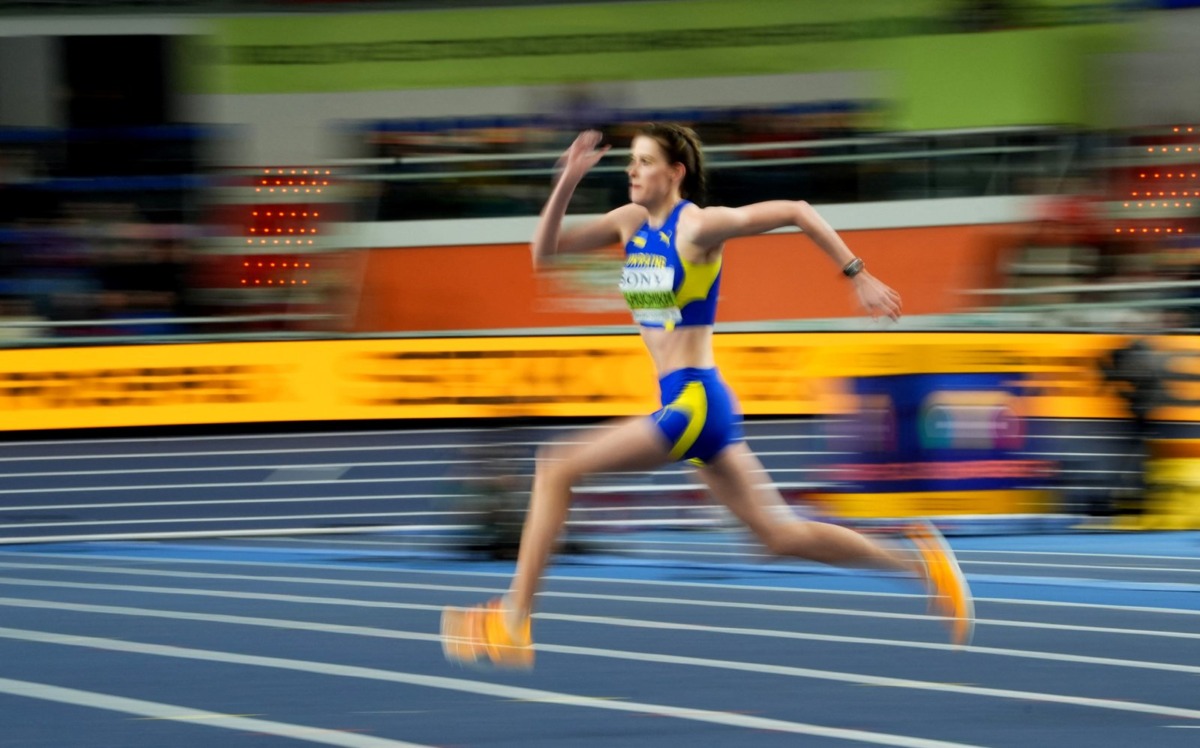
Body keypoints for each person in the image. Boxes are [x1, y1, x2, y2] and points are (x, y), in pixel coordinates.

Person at [441, 125, 975, 669]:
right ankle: (921, 566)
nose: (631, 170)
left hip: (693, 402)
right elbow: (543, 254)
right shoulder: (628, 224)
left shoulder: (697, 226)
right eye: (630, 161)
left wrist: (857, 275)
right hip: (697, 405)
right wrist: (567, 180)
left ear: (675, 173)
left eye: (645, 161)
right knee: (777, 536)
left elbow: (797, 209)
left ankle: (513, 620)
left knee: (555, 467)